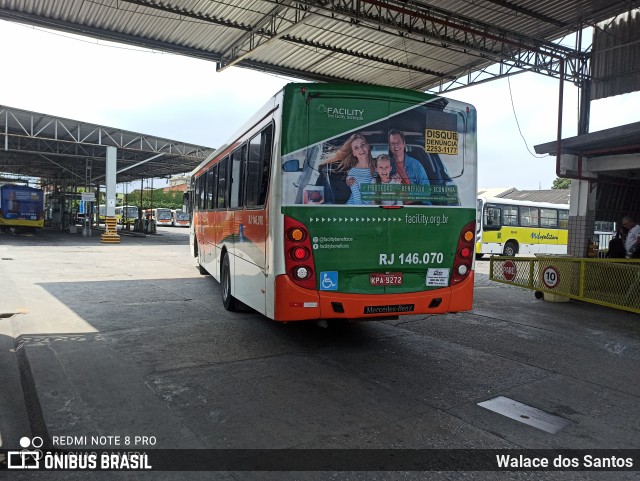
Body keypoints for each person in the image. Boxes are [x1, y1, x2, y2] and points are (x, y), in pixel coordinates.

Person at [319, 133, 374, 205]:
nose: (361, 149)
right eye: (356, 148)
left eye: (362, 144)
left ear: (367, 146)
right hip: (355, 207)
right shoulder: (353, 172)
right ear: (354, 153)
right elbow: (357, 200)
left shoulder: (378, 168)